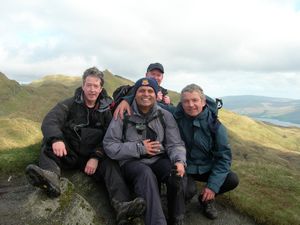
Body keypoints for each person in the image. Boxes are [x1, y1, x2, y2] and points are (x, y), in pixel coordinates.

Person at [25, 67, 146, 225]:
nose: (92, 89)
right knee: (47, 147)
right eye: (89, 85)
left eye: (96, 86)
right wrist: (56, 139)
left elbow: (111, 138)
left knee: (111, 165)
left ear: (101, 88)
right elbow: (50, 120)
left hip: (91, 157)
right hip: (70, 152)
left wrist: (96, 156)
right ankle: (51, 178)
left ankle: (122, 207)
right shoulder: (69, 104)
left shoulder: (107, 110)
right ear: (83, 86)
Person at [114, 83, 239, 220]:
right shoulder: (175, 114)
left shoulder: (215, 126)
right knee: (187, 190)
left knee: (231, 179)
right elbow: (148, 99)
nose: (190, 105)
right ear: (181, 103)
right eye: (186, 101)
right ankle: (178, 201)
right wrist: (126, 99)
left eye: (195, 100)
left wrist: (212, 187)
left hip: (206, 167)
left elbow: (224, 158)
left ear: (203, 102)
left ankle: (206, 200)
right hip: (185, 166)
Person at [103, 77, 187, 225]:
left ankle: (177, 219)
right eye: (141, 90)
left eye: (150, 91)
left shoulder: (165, 115)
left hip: (157, 160)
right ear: (135, 93)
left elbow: (175, 144)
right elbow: (109, 145)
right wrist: (140, 148)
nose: (146, 94)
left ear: (156, 94)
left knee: (174, 172)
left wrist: (179, 160)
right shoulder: (123, 114)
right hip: (131, 163)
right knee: (145, 173)